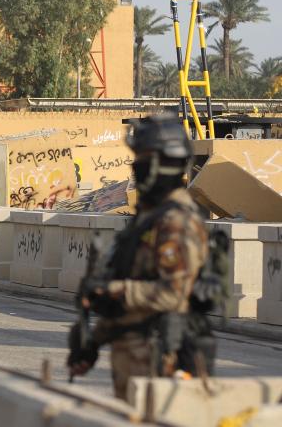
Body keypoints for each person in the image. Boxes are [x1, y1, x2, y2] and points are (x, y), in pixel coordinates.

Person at [67, 114, 211, 400]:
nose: (137, 168)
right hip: (131, 365)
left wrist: (114, 290)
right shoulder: (147, 219)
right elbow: (132, 299)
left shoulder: (176, 222)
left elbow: (172, 293)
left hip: (162, 368)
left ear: (165, 165)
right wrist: (92, 343)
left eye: (143, 160)